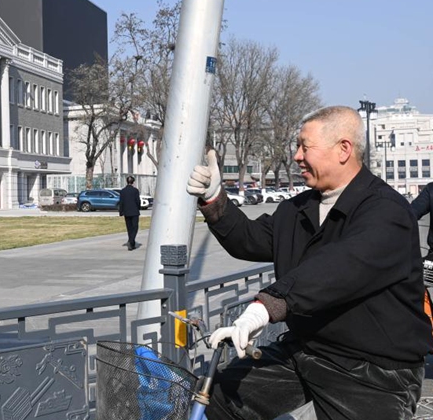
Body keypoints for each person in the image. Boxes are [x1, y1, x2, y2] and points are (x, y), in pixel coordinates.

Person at [186, 106, 433, 420]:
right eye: (297, 147)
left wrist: (266, 306)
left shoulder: (387, 211)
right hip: (306, 349)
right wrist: (214, 199)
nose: (297, 156)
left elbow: (339, 268)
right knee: (219, 401)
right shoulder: (297, 209)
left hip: (373, 371)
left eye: (305, 146)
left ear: (343, 149)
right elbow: (249, 238)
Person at [118, 175, 141, 250]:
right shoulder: (135, 191)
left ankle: (131, 241)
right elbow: (138, 201)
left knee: (129, 227)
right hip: (134, 211)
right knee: (135, 227)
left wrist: (121, 211)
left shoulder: (123, 191)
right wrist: (138, 207)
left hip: (126, 212)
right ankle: (131, 241)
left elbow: (121, 202)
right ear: (133, 182)